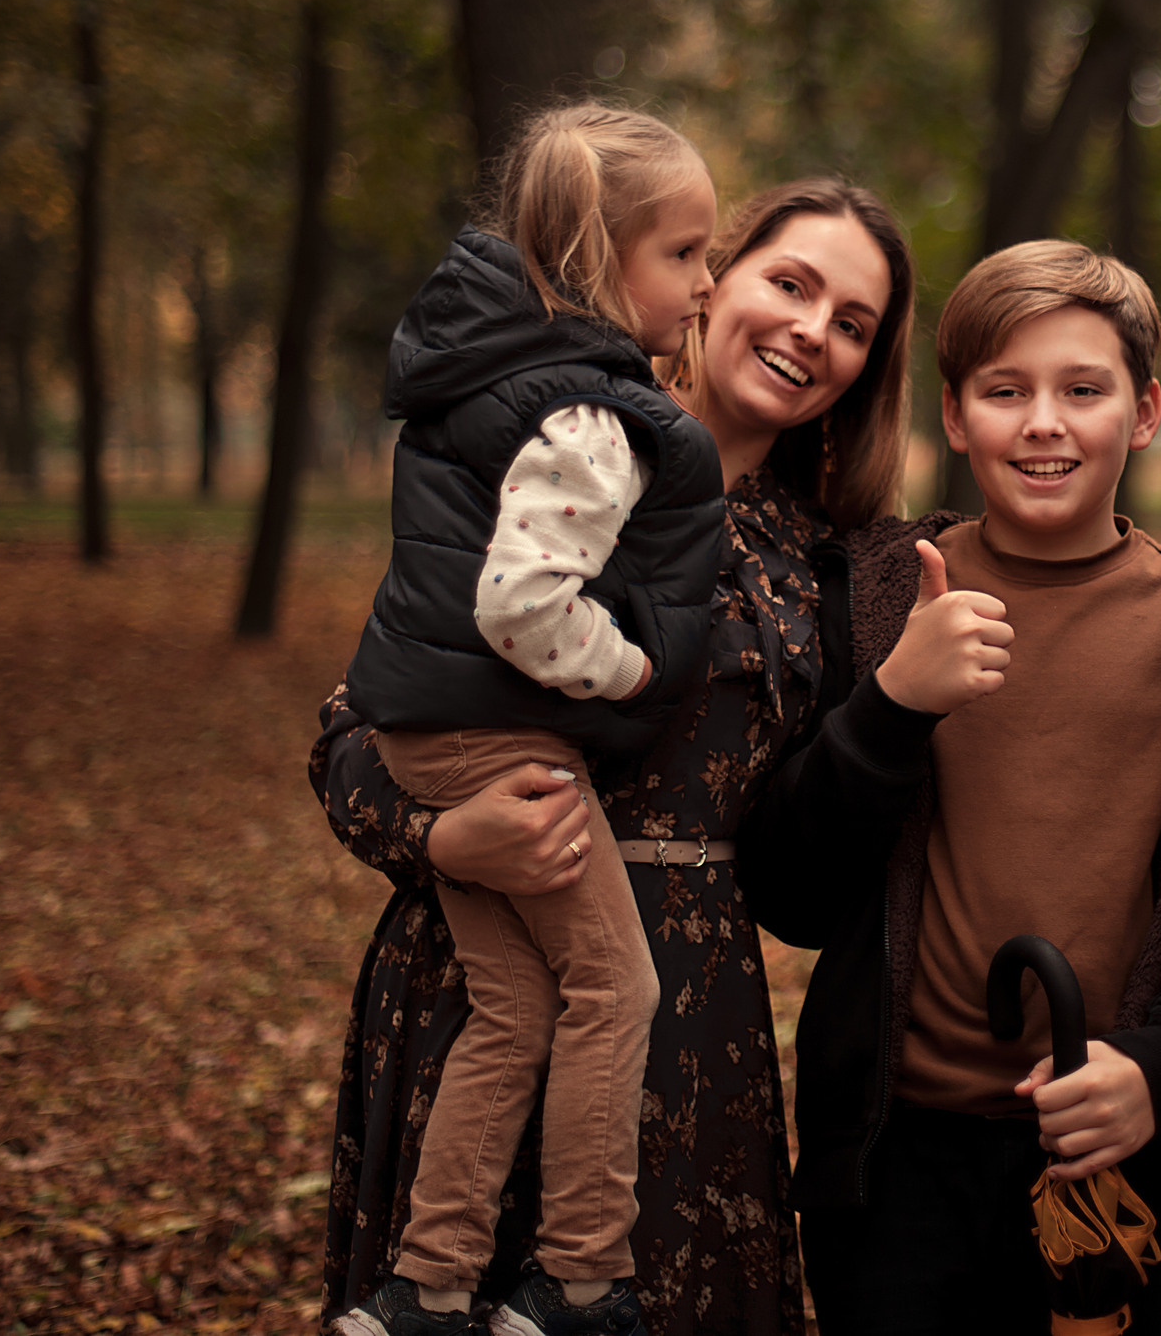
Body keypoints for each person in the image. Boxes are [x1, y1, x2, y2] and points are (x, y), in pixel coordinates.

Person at [309, 175, 919, 1336]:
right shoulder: (567, 449)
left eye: (852, 324)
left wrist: (892, 709)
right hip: (478, 981)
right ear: (710, 278)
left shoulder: (825, 563)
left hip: (692, 1022)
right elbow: (360, 725)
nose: (811, 332)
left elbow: (798, 867)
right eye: (788, 284)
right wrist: (442, 835)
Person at [737, 241, 1161, 1336]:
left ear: (1143, 413)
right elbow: (789, 892)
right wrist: (893, 704)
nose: (1043, 423)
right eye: (1006, 391)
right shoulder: (871, 594)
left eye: (1081, 390)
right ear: (953, 417)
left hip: (1142, 1161)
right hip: (897, 1166)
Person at [331, 106, 723, 1336]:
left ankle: (428, 1285)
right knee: (617, 990)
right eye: (687, 253)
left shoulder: (491, 375)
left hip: (432, 727)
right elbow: (520, 602)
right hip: (498, 740)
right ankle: (582, 1278)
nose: (706, 282)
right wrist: (626, 671)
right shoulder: (590, 416)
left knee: (515, 1006)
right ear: (604, 265)